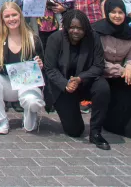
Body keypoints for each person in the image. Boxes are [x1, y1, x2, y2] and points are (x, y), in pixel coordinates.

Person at [42, 10, 111, 149]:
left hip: (85, 82)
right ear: (66, 27)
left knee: (102, 88)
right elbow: (50, 68)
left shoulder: (94, 38)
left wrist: (80, 78)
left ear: (85, 28)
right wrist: (65, 84)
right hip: (63, 86)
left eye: (79, 28)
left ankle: (96, 132)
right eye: (72, 27)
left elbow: (99, 66)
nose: (75, 31)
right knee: (75, 131)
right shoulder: (55, 39)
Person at [0, 1, 45, 135]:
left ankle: (30, 114)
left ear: (20, 16)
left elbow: (43, 65)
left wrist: (40, 64)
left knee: (33, 104)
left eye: (14, 15)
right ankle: (1, 119)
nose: (11, 19)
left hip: (26, 84)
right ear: (2, 19)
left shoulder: (32, 38)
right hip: (6, 83)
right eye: (7, 16)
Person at [93, 0, 131, 143]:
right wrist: (122, 70)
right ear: (107, 13)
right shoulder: (96, 31)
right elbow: (97, 61)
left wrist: (130, 66)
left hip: (123, 73)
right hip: (102, 73)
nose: (117, 16)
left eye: (120, 12)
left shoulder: (130, 33)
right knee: (102, 87)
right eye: (113, 12)